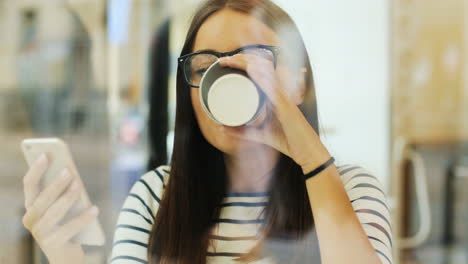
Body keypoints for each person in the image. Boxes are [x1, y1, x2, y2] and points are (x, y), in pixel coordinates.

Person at [21, 0, 393, 263]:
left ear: (299, 84)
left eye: (255, 61)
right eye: (205, 69)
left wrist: (308, 154)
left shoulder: (352, 190)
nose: (229, 83)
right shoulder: (156, 198)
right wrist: (67, 256)